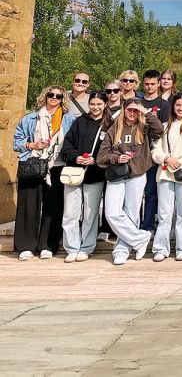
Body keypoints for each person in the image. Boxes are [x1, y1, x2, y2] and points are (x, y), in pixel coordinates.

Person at [97, 98, 164, 265]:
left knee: (131, 213)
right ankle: (140, 238)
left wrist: (146, 112)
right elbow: (101, 157)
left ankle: (122, 250)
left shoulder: (145, 127)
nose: (132, 113)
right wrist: (116, 157)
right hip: (117, 175)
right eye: (129, 110)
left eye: (136, 111)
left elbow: (160, 130)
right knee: (111, 212)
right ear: (124, 110)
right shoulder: (114, 128)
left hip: (137, 174)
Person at [13, 86, 77, 260]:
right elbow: (16, 142)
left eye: (59, 96)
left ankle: (48, 245)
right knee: (28, 205)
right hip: (33, 163)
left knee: (53, 207)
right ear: (45, 96)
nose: (54, 98)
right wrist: (31, 145)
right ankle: (25, 246)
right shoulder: (29, 119)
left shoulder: (69, 119)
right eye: (51, 95)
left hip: (57, 165)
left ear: (63, 99)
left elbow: (73, 141)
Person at [59, 91, 108, 262]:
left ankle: (87, 247)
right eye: (93, 104)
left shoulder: (109, 124)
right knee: (70, 213)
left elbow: (110, 149)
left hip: (95, 174)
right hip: (74, 172)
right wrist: (75, 156)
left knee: (90, 213)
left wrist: (97, 159)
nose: (95, 107)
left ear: (105, 105)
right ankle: (71, 247)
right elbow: (67, 145)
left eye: (99, 104)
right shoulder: (79, 121)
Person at [151, 92, 182, 262]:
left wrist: (181, 162)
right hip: (165, 173)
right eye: (178, 105)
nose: (181, 108)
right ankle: (161, 248)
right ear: (173, 106)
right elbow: (155, 150)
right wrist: (166, 159)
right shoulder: (165, 126)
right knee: (164, 213)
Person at [138, 69, 172, 234]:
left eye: (152, 84)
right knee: (137, 192)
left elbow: (165, 130)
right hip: (138, 152)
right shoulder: (137, 103)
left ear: (159, 83)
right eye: (146, 84)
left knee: (152, 190)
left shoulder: (164, 104)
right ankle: (136, 223)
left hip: (155, 151)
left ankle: (149, 224)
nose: (149, 87)